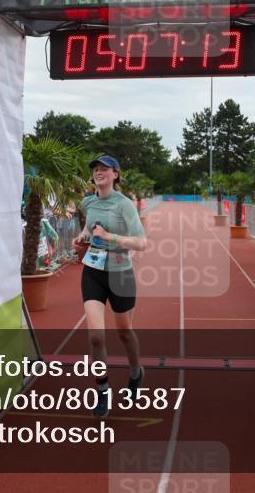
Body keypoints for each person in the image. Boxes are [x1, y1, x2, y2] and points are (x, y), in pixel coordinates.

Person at [70, 155, 147, 418]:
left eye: (104, 169)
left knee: (124, 333)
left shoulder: (124, 205)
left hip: (120, 273)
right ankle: (102, 390)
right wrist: (83, 237)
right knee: (95, 335)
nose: (98, 172)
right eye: (95, 169)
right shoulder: (88, 202)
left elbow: (141, 243)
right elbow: (89, 229)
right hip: (93, 271)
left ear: (115, 174)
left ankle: (136, 373)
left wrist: (109, 236)